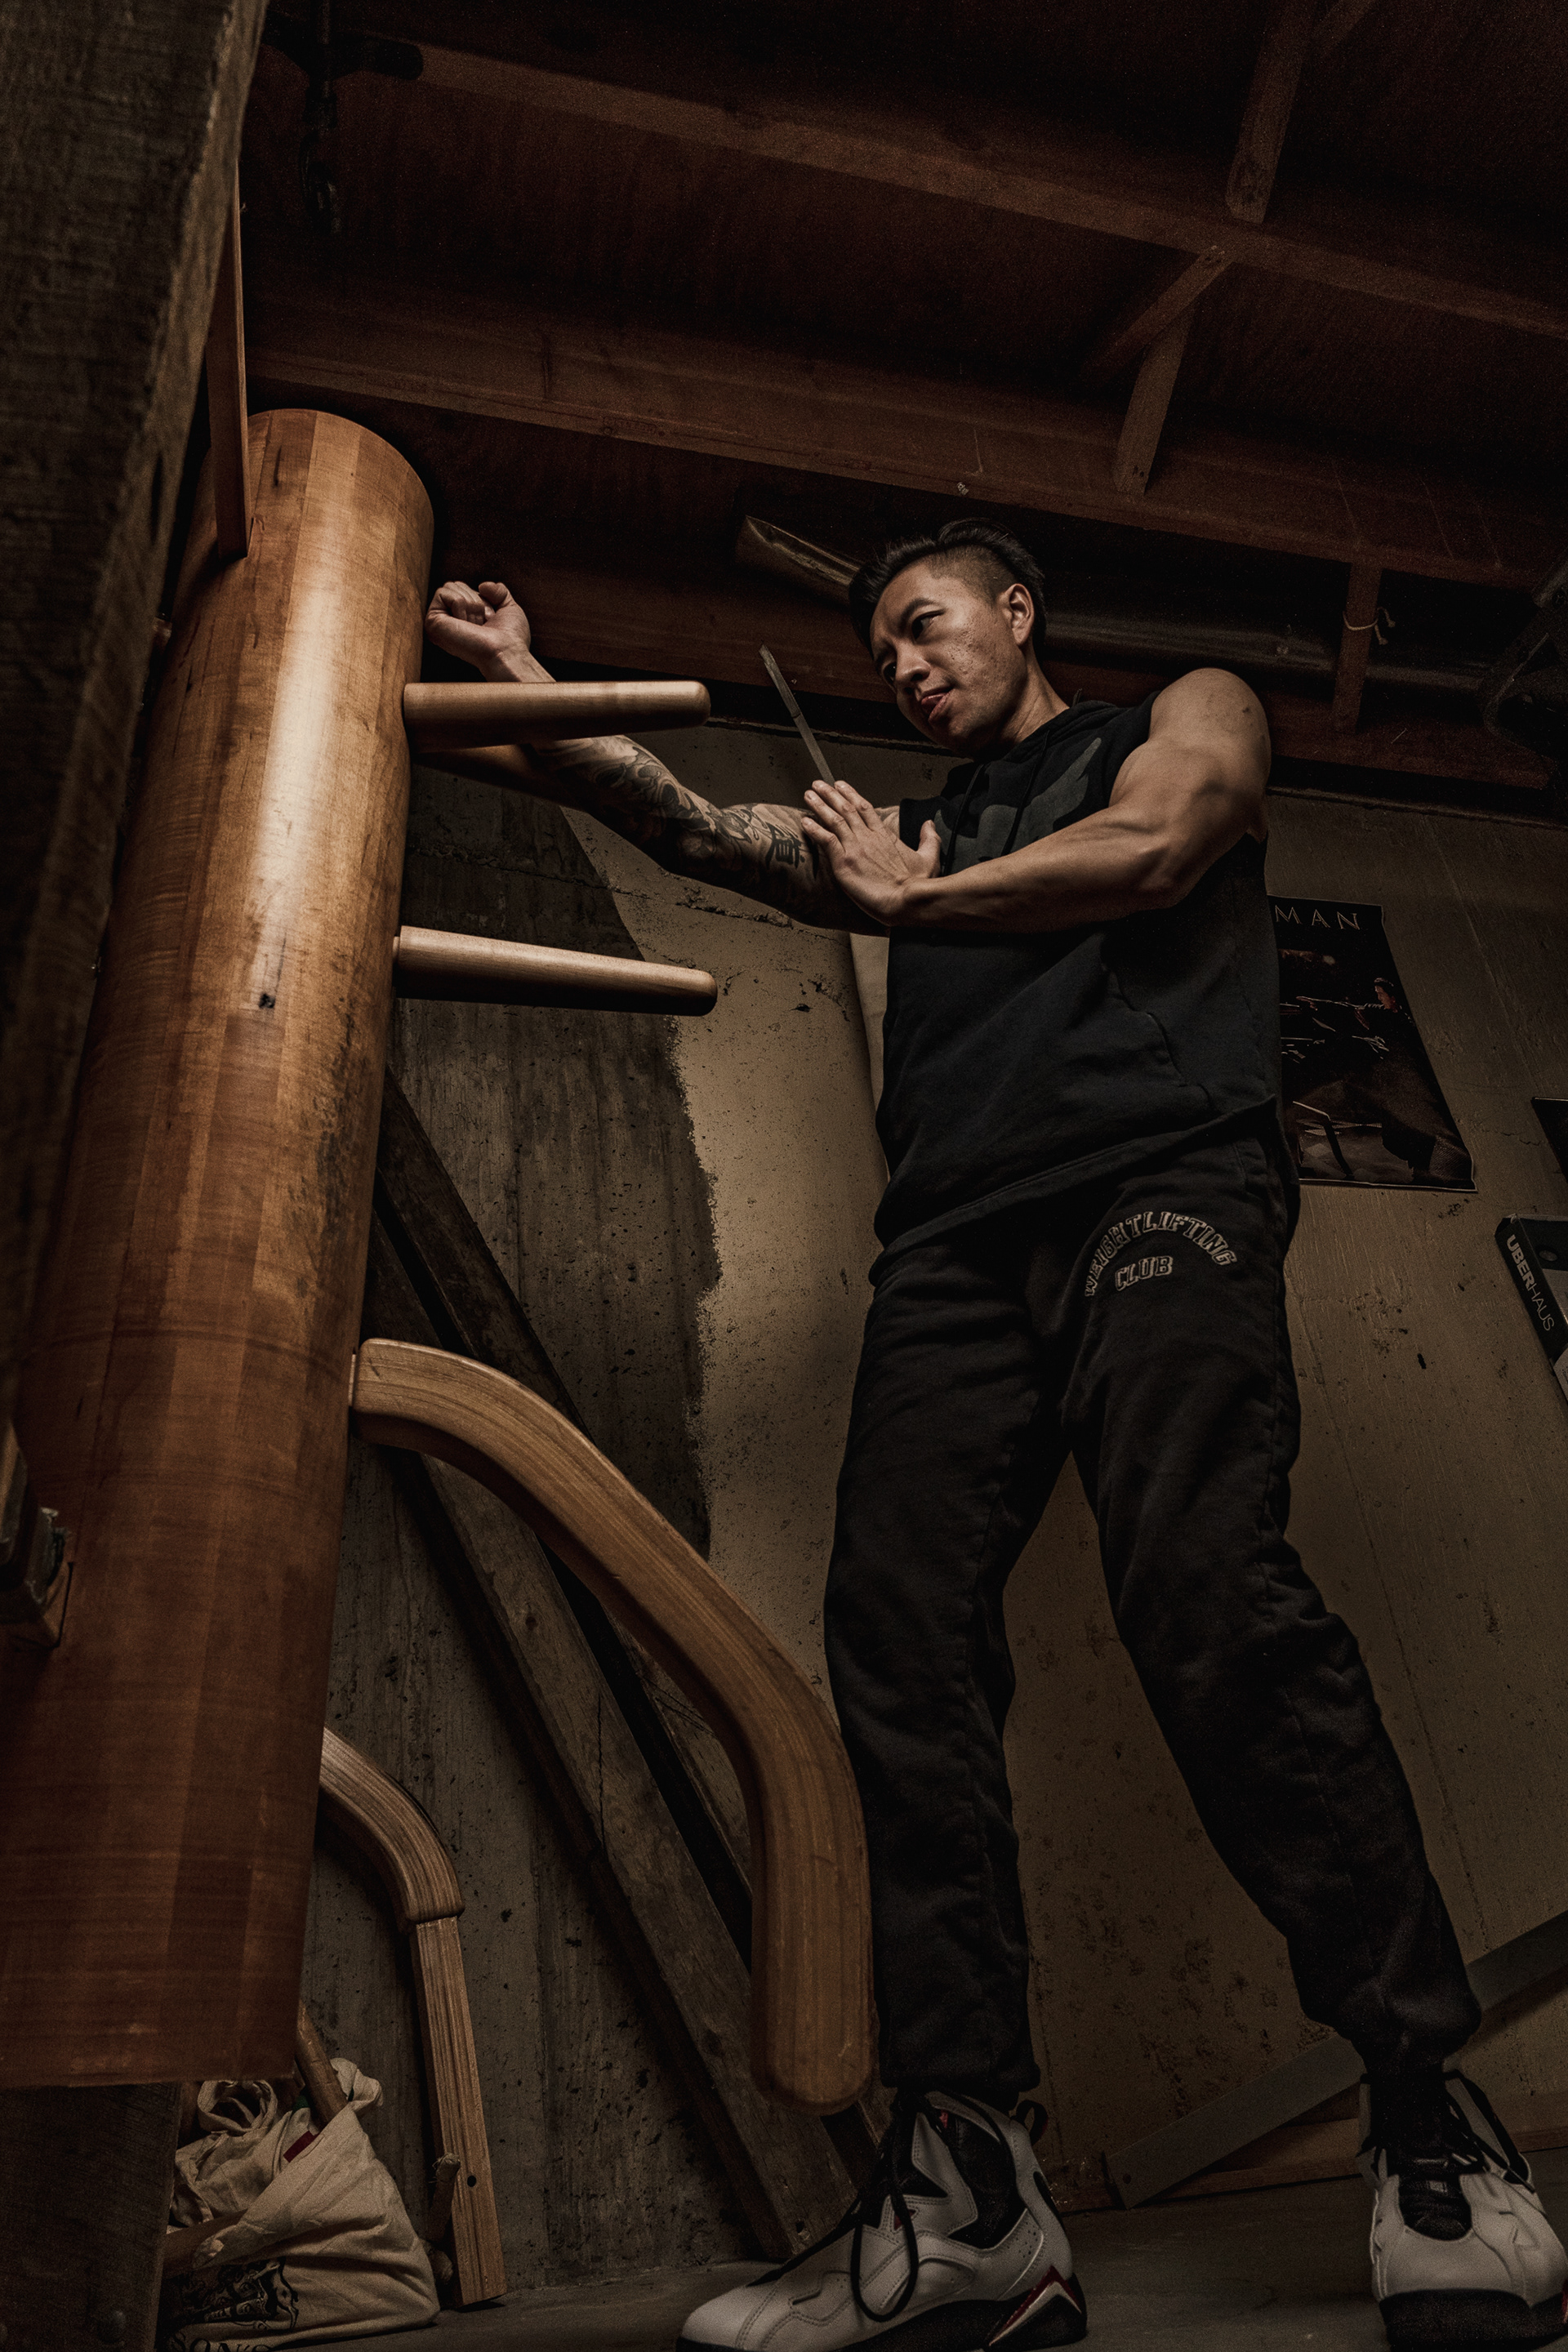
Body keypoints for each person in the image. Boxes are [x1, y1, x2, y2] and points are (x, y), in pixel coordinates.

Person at [425, 523, 1566, 2352]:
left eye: (925, 623)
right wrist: (533, 690)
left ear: (1019, 613)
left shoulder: (1172, 717)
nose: (901, 664)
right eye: (880, 648)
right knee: (896, 1634)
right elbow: (700, 830)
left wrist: (918, 901)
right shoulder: (908, 832)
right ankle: (972, 2185)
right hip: (957, 1244)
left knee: (1204, 1583)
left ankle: (1429, 2114)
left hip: (1160, 1181)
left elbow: (1163, 843)